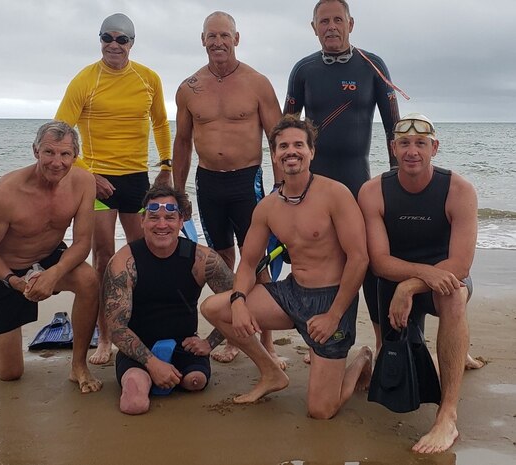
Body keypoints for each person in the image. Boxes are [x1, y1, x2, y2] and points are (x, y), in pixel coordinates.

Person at [201, 115, 372, 419]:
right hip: (292, 293)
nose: (290, 151)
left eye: (298, 145)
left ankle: (361, 361)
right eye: (283, 146)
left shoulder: (335, 194)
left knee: (321, 411)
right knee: (215, 308)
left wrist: (334, 316)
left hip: (331, 302)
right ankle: (271, 373)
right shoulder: (268, 206)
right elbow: (249, 261)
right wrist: (239, 301)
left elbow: (359, 258)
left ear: (311, 152)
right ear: (274, 154)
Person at [358, 113, 483, 453]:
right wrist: (414, 279)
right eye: (404, 144)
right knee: (396, 374)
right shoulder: (372, 191)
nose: (412, 151)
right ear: (392, 148)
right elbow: (380, 261)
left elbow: (460, 265)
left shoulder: (459, 189)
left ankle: (448, 415)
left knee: (454, 297)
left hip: (441, 280)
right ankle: (459, 351)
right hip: (392, 279)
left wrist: (411, 286)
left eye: (421, 144)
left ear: (435, 148)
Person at [55, 13, 172, 365]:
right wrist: (87, 174)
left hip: (135, 177)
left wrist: (165, 164)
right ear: (100, 40)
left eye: (122, 39)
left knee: (142, 252)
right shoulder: (86, 79)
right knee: (104, 258)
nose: (114, 45)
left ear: (132, 43)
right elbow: (62, 130)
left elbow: (161, 122)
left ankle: (138, 325)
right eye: (107, 37)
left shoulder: (148, 78)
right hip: (97, 180)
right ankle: (105, 337)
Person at [284, 0, 400, 351]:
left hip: (357, 182)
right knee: (320, 259)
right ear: (313, 27)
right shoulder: (303, 69)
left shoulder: (372, 65)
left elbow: (393, 127)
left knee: (366, 265)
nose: (331, 26)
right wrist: (284, 184)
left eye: (338, 19)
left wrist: (394, 181)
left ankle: (380, 343)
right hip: (314, 185)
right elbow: (286, 130)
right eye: (324, 21)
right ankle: (322, 334)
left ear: (351, 23)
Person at [173, 11, 283, 365]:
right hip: (208, 182)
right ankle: (234, 335)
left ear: (237, 39)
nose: (218, 42)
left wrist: (282, 187)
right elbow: (183, 141)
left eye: (224, 35)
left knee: (258, 260)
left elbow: (277, 137)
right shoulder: (189, 87)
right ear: (202, 40)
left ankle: (265, 341)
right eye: (211, 36)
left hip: (246, 180)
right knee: (222, 261)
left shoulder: (257, 83)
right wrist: (178, 192)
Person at [0, 121, 102, 394]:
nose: (57, 162)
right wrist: (16, 282)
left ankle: (78, 365)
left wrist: (53, 274)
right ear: (35, 151)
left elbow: (81, 243)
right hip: (4, 270)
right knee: (10, 374)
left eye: (65, 154)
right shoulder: (7, 191)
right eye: (49, 152)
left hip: (48, 257)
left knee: (89, 279)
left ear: (75, 156)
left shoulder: (83, 182)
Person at [102, 185, 233, 415]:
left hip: (185, 346)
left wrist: (210, 343)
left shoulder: (202, 259)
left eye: (170, 217)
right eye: (153, 217)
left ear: (181, 221)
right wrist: (153, 364)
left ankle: (168, 376)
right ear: (142, 220)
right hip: (138, 349)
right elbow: (116, 329)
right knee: (134, 404)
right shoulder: (124, 262)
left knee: (196, 381)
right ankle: (145, 379)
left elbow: (237, 301)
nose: (162, 225)